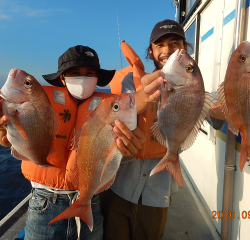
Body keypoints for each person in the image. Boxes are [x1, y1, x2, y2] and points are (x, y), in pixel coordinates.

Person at [0, 45, 147, 240]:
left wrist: (129, 148)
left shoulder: (110, 108)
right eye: (75, 72)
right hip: (44, 201)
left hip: (91, 202)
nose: (83, 78)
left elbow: (114, 152)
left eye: (90, 73)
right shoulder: (38, 100)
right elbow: (12, 138)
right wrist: (5, 133)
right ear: (62, 77)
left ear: (97, 78)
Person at [102, 19, 225, 240]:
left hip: (157, 192)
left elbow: (212, 118)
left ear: (185, 49)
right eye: (160, 45)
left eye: (174, 43)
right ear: (150, 52)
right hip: (120, 185)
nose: (167, 50)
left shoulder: (192, 84)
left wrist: (222, 109)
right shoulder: (131, 81)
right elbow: (110, 117)